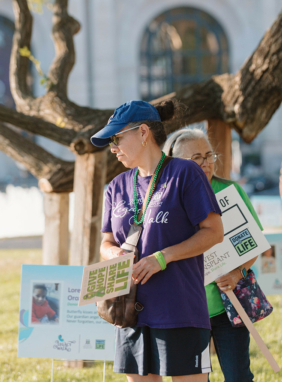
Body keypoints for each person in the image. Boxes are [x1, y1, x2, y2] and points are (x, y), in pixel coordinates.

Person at [91, 101, 223, 382]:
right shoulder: (115, 187)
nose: (112, 148)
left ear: (142, 132)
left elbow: (213, 231)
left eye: (116, 138)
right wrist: (113, 253)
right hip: (127, 313)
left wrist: (163, 257)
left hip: (179, 310)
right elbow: (105, 242)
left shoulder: (186, 173)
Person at [163, 128, 262, 382]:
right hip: (185, 310)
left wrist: (237, 272)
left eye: (209, 155)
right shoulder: (164, 199)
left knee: (238, 376)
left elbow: (253, 243)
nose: (205, 163)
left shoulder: (230, 190)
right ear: (175, 162)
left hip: (227, 305)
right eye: (196, 157)